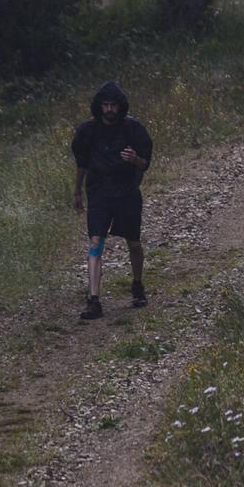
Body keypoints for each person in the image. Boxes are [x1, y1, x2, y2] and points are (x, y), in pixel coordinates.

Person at [71, 80, 152, 321]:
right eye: (105, 105)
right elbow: (81, 163)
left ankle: (137, 285)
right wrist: (77, 192)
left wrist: (134, 159)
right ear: (99, 106)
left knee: (134, 243)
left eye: (113, 105)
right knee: (95, 243)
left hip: (127, 192)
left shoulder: (133, 129)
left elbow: (145, 163)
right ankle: (94, 299)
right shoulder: (87, 131)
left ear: (120, 106)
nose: (109, 109)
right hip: (98, 193)